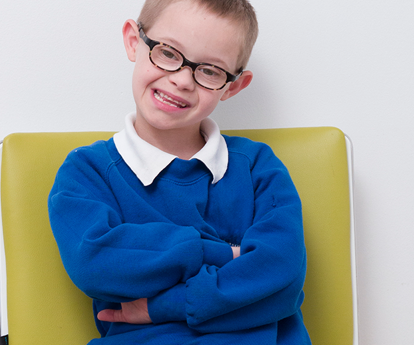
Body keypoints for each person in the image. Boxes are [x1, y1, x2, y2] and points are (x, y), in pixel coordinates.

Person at [47, 0, 311, 343]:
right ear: (133, 40)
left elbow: (283, 278)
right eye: (168, 53)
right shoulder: (87, 172)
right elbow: (96, 263)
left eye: (210, 71)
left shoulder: (258, 165)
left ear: (232, 86)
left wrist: (163, 305)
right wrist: (226, 254)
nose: (183, 80)